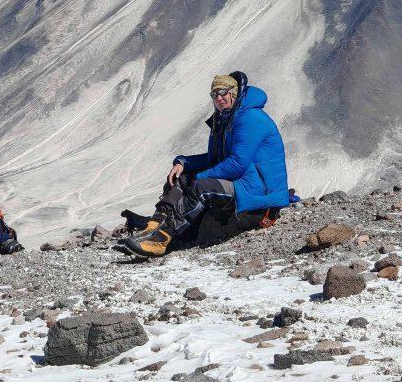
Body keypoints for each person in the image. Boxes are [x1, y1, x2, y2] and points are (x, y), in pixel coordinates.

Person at [116, 71, 290, 259]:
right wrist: (183, 162)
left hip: (259, 191)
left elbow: (237, 164)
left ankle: (161, 239)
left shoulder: (250, 118)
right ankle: (153, 227)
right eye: (214, 94)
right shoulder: (225, 119)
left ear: (234, 92)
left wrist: (199, 177)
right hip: (243, 182)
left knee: (202, 187)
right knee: (181, 177)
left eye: (223, 92)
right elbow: (214, 158)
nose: (219, 98)